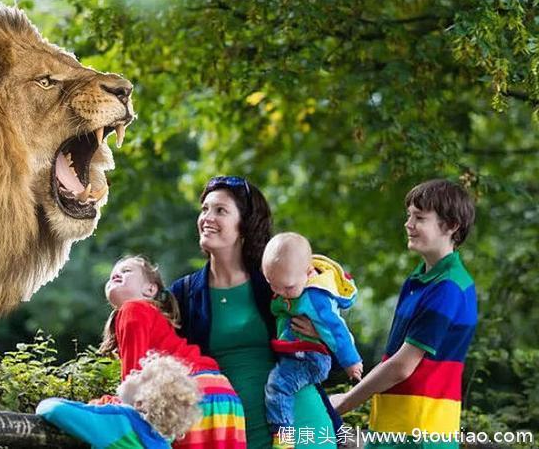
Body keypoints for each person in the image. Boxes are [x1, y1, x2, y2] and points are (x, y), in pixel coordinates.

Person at [170, 176, 338, 449]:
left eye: (220, 210)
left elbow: (336, 350)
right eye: (205, 209)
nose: (207, 217)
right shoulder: (184, 294)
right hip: (232, 431)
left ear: (244, 225)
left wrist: (321, 336)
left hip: (298, 423)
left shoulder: (275, 282)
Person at [330, 179, 477, 448]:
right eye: (409, 215)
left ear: (452, 225)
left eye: (419, 217)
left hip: (420, 432)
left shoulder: (449, 287)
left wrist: (343, 402)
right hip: (394, 427)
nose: (408, 224)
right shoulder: (419, 279)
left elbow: (401, 366)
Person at [100, 255, 247, 449]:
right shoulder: (150, 316)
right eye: (112, 275)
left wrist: (112, 403)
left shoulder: (132, 309)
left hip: (190, 395)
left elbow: (134, 380)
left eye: (126, 271)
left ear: (150, 289)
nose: (116, 274)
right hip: (222, 394)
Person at [262, 232, 363, 447]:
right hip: (298, 352)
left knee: (278, 387)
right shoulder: (290, 285)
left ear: (308, 273)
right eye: (273, 285)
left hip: (311, 357)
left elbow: (337, 330)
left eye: (287, 287)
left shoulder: (316, 298)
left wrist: (350, 361)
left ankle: (284, 438)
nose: (281, 293)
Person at [36, 353, 201, 449]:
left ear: (140, 403)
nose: (134, 371)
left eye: (140, 375)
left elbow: (53, 409)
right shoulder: (163, 441)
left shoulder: (120, 420)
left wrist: (99, 409)